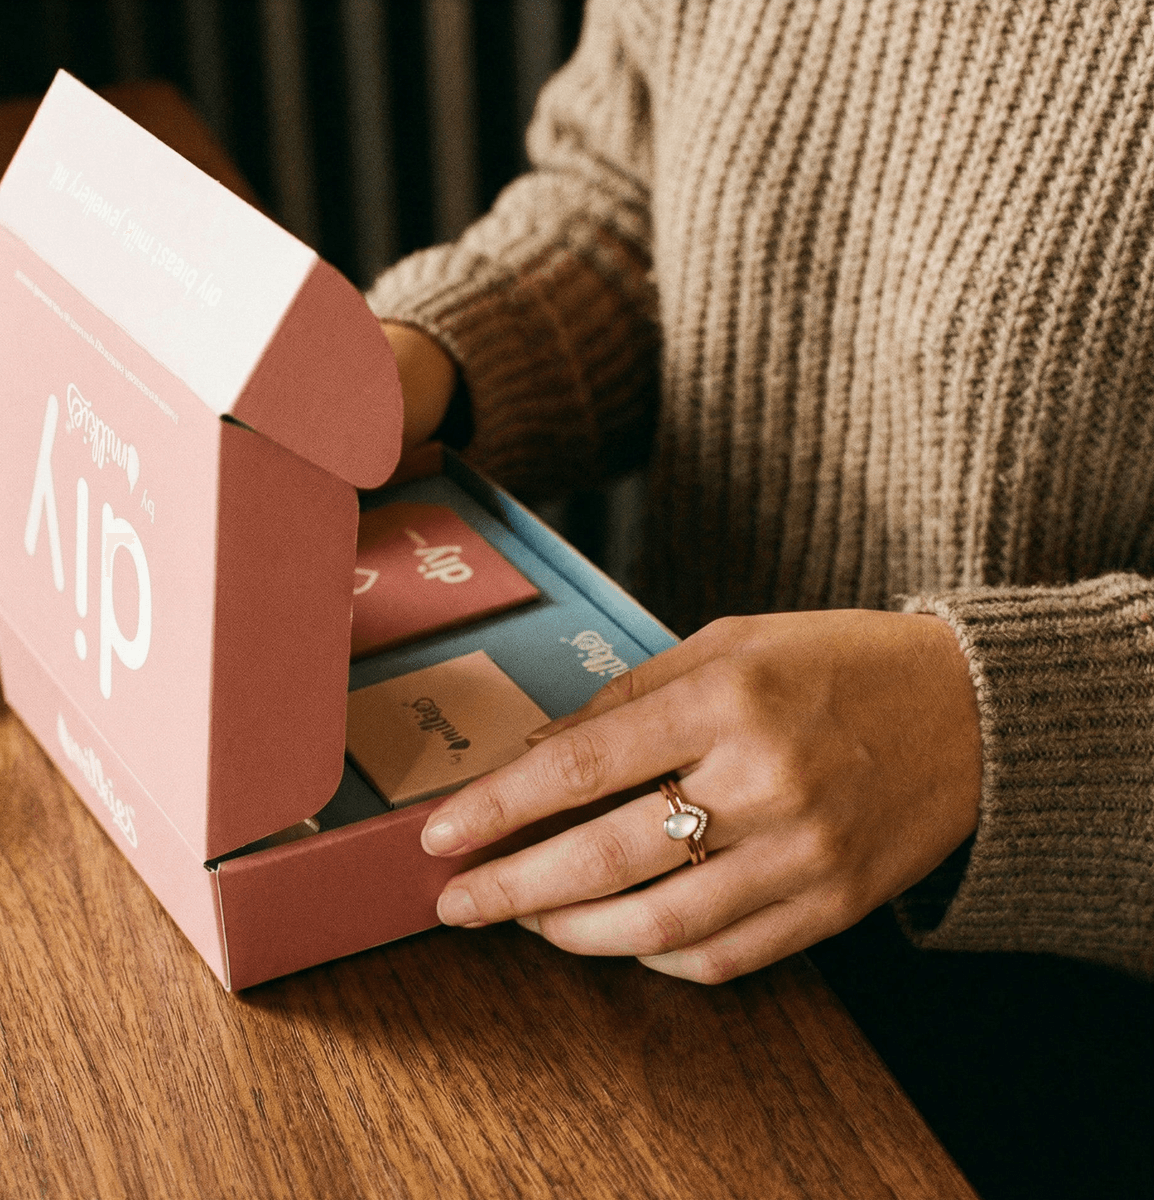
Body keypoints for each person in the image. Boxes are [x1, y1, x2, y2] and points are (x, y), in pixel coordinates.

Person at [366, 0, 1153, 985]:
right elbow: (628, 196)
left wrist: (1001, 732)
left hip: (1045, 1004)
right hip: (639, 849)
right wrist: (422, 362)